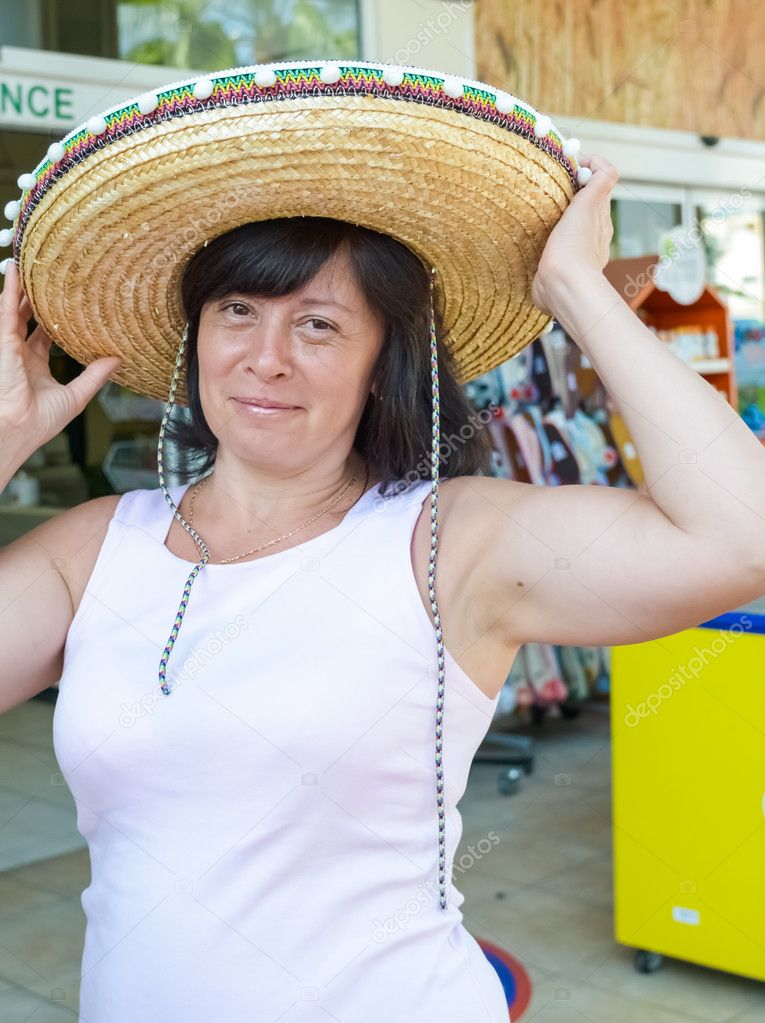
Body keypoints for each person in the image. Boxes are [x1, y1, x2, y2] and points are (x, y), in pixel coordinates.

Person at [2, 59, 765, 1022]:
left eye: (318, 324)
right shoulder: (95, 547)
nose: (264, 356)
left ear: (380, 366)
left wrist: (575, 290)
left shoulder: (450, 541)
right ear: (196, 338)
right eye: (236, 309)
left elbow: (741, 536)